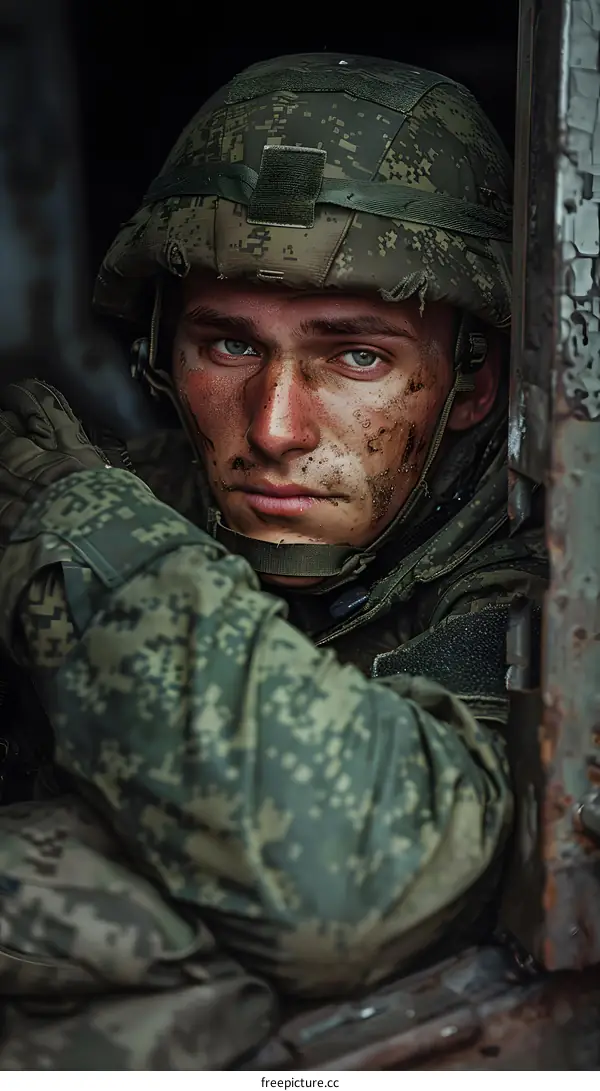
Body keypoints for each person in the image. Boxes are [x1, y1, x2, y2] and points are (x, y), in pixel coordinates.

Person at [0, 53, 547, 1070]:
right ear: (164, 355)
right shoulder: (118, 492)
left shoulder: (534, 586)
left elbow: (355, 884)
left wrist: (78, 533)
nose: (278, 426)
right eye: (230, 346)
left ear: (472, 387)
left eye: (359, 356)